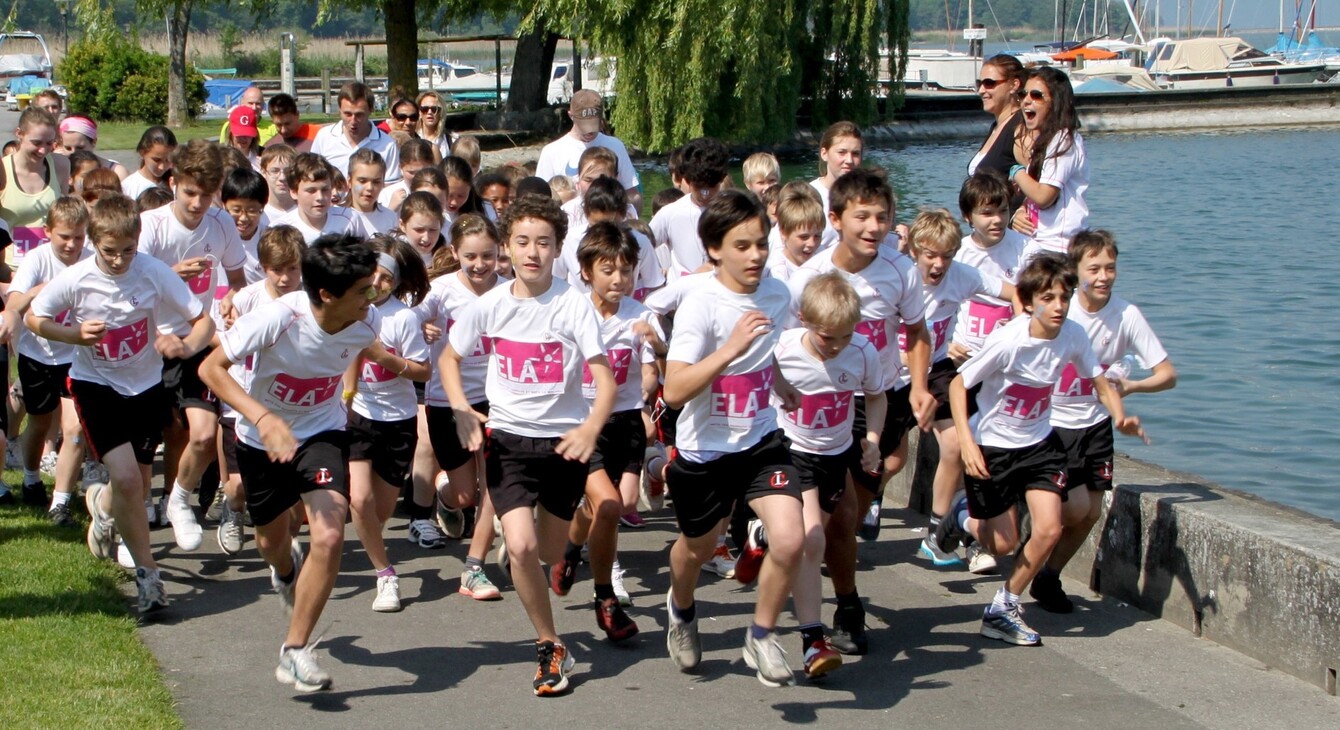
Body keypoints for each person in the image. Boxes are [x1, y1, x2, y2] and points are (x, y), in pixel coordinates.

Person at [200, 233, 404, 691]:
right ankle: (286, 570)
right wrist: (263, 417)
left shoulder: (366, 321)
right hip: (260, 439)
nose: (373, 298)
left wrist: (358, 389)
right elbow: (211, 370)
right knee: (271, 541)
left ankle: (294, 651)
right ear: (328, 294)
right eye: (363, 290)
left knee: (330, 534)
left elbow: (356, 352)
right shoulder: (279, 317)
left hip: (323, 433)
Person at [439, 194, 616, 696]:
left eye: (543, 242)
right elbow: (449, 360)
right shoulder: (490, 305)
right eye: (522, 242)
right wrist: (460, 409)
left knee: (548, 549)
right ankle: (548, 643)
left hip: (564, 445)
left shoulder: (573, 304)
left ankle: (556, 550)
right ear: (505, 249)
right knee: (519, 544)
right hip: (509, 442)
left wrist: (589, 428)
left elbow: (604, 381)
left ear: (558, 248)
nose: (532, 252)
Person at [937, 253, 1145, 646]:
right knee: (1002, 544)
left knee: (1049, 528)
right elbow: (958, 386)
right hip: (993, 446)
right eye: (1048, 298)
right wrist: (966, 442)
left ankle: (1004, 606)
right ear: (1029, 302)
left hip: (1040, 444)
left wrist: (1119, 415)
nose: (1058, 306)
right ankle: (962, 517)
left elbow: (1099, 381)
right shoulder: (1009, 340)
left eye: (1064, 297)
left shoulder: (1074, 335)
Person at [29, 193, 214, 615]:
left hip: (146, 386)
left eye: (127, 251)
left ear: (138, 241)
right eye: (109, 252)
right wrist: (74, 335)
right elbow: (35, 317)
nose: (118, 260)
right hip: (97, 386)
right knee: (131, 480)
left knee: (132, 482)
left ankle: (101, 505)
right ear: (94, 242)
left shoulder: (151, 272)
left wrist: (185, 345)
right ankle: (149, 578)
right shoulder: (76, 280)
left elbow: (203, 321)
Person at [659, 189, 805, 688]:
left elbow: (763, 349)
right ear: (715, 249)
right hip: (705, 450)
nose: (756, 255)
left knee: (791, 537)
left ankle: (761, 635)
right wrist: (731, 348)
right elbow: (675, 389)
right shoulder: (701, 305)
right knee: (698, 550)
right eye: (742, 246)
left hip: (761, 440)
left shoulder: (777, 294)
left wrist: (778, 379)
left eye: (762, 244)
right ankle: (680, 609)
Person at [786, 168, 935, 656]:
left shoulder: (900, 270)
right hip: (828, 400)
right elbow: (786, 344)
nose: (874, 227)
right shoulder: (810, 276)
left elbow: (916, 332)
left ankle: (827, 565)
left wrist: (917, 386)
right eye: (862, 217)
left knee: (858, 503)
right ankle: (846, 606)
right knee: (841, 514)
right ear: (836, 219)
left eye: (883, 217)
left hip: (881, 393)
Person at [1030, 230, 1176, 612]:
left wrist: (1130, 386)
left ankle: (1049, 576)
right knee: (1073, 507)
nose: (1103, 276)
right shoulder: (1062, 310)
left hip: (1095, 424)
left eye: (1110, 267)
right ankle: (1020, 539)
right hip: (1050, 424)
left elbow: (1167, 374)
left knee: (1091, 512)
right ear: (1076, 270)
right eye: (1093, 268)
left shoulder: (1126, 315)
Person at [548, 221, 662, 638]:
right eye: (608, 270)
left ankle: (571, 548)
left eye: (627, 270)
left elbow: (653, 371)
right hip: (584, 422)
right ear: (586, 272)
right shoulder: (571, 312)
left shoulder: (641, 316)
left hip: (628, 420)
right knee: (610, 505)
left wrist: (649, 392)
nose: (619, 279)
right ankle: (605, 598)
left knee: (622, 502)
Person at [137, 139, 249, 552]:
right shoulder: (150, 226)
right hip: (144, 343)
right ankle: (128, 527)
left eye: (208, 193)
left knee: (202, 435)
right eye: (190, 192)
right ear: (173, 183)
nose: (199, 202)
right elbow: (125, 285)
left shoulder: (221, 225)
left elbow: (237, 281)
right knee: (143, 445)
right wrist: (171, 273)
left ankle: (179, 500)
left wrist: (233, 300)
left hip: (196, 339)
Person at [772, 271, 885, 679]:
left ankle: (844, 605)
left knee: (838, 527)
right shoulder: (783, 348)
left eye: (844, 337)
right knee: (813, 536)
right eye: (826, 338)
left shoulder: (863, 352)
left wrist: (871, 438)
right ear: (803, 319)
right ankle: (812, 636)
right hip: (792, 451)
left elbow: (875, 396)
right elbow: (756, 368)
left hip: (835, 454)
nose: (836, 347)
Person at [902, 209, 1014, 569]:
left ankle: (937, 533)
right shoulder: (898, 281)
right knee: (889, 460)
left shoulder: (962, 276)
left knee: (956, 442)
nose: (939, 265)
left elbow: (1011, 292)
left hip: (936, 371)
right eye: (930, 256)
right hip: (889, 372)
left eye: (946, 256)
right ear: (915, 252)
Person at [415, 213, 504, 600]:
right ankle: (445, 494)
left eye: (488, 255)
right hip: (446, 402)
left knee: (495, 488)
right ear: (454, 252)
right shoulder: (440, 290)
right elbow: (405, 319)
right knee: (466, 495)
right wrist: (422, 328)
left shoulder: (510, 290)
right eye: (470, 256)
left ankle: (474, 569)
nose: (480, 264)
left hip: (497, 401)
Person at [346, 236, 431, 612]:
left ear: (396, 284)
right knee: (358, 499)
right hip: (358, 415)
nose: (377, 284)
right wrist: (345, 397)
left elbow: (423, 371)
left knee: (378, 513)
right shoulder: (350, 308)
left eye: (386, 279)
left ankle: (371, 549)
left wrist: (385, 357)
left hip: (398, 422)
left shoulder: (404, 318)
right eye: (372, 275)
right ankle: (386, 575)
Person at [214, 225, 306, 555]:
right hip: (244, 401)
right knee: (239, 486)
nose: (284, 278)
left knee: (293, 496)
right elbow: (219, 346)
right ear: (263, 268)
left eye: (292, 269)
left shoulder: (309, 299)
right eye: (276, 270)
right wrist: (232, 326)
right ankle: (232, 509)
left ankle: (285, 549)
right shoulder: (246, 299)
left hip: (290, 406)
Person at [3, 197, 91, 521]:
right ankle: (30, 478)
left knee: (75, 429)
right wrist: (41, 289)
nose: (72, 244)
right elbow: (14, 302)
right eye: (64, 236)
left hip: (77, 357)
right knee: (39, 422)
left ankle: (61, 502)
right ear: (47, 232)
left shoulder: (92, 260)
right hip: (37, 353)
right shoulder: (36, 260)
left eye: (79, 237)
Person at [1010, 67, 1088, 254]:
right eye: (1023, 94)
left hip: (1058, 247)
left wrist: (1016, 172)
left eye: (1036, 95)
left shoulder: (1064, 140)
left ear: (1055, 102)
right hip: (1037, 242)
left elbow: (1044, 196)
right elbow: (1035, 196)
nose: (1027, 100)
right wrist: (1020, 212)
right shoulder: (1046, 141)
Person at [535, 89, 641, 211]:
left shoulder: (615, 145)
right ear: (571, 116)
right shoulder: (551, 152)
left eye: (593, 124)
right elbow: (541, 199)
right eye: (584, 124)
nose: (589, 130)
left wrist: (627, 216)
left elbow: (632, 193)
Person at [649, 137, 730, 279]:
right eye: (699, 186)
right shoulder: (670, 213)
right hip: (682, 294)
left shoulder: (734, 213)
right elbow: (641, 247)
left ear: (721, 180)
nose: (705, 194)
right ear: (686, 180)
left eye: (711, 187)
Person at [1, 106, 71, 269]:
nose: (43, 150)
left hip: (50, 264)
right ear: (19, 134)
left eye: (49, 143)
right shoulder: (3, 170)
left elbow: (65, 214)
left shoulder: (60, 164)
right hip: (10, 267)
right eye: (36, 143)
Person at [311, 82, 402, 184]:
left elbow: (391, 187)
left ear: (371, 110)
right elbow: (313, 177)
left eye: (359, 115)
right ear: (339, 110)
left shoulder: (388, 145)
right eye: (347, 114)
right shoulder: (324, 137)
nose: (353, 121)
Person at [272, 153, 370, 244]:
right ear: (294, 192)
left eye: (325, 189)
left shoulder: (350, 218)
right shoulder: (280, 230)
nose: (320, 197)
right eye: (311, 191)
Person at [968, 55, 1026, 178]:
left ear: (1014, 85)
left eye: (989, 83)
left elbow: (1036, 182)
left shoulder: (1020, 129)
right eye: (979, 83)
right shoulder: (996, 126)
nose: (981, 90)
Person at [810, 121, 863, 247]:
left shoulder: (869, 196)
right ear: (824, 153)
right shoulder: (807, 195)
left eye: (855, 153)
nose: (849, 160)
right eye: (842, 152)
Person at [765, 181, 824, 282]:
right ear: (783, 233)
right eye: (804, 237)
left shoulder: (822, 256)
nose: (812, 243)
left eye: (818, 235)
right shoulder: (777, 271)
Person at [57, 116, 129, 180]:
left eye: (80, 148)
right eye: (68, 148)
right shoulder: (57, 169)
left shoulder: (117, 172)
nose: (73, 153)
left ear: (93, 142)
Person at [346, 149, 398, 234]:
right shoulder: (335, 216)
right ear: (349, 182)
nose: (370, 188)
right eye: (362, 181)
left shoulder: (390, 218)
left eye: (376, 182)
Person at [121, 126, 177, 201]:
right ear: (142, 152)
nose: (162, 167)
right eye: (156, 160)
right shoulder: (129, 187)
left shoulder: (176, 183)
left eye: (168, 160)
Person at [379, 138, 435, 211]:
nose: (416, 177)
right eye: (411, 172)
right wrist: (391, 209)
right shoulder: (387, 194)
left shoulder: (438, 192)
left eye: (422, 171)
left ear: (431, 166)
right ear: (401, 167)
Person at [260, 144, 297, 220]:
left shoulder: (306, 212)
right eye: (275, 171)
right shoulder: (258, 215)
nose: (282, 177)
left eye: (288, 171)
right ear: (263, 172)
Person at [415, 91, 452, 160]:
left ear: (441, 112)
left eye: (434, 109)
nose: (429, 112)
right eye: (424, 109)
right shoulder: (412, 138)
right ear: (419, 112)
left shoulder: (451, 140)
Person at [225, 106, 262, 171]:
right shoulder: (222, 157)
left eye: (248, 134)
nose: (243, 138)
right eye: (239, 134)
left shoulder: (263, 155)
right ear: (230, 133)